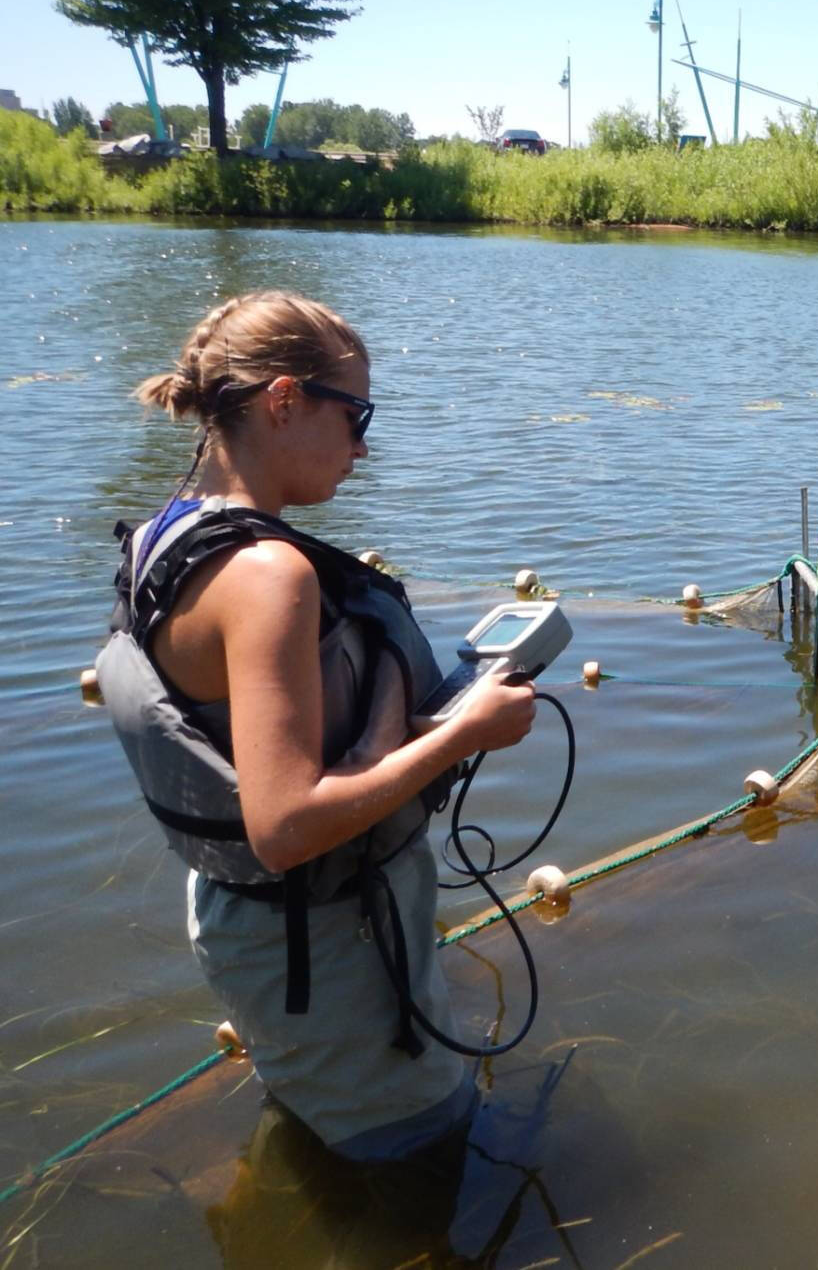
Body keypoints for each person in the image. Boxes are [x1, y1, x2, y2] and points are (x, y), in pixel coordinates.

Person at [95, 291, 538, 1161]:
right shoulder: (270, 577)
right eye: (357, 416)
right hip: (325, 945)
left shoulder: (165, 534)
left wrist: (382, 724)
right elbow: (287, 825)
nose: (363, 449)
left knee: (328, 1134)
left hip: (258, 929)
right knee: (423, 1158)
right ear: (285, 400)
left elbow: (258, 755)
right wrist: (463, 732)